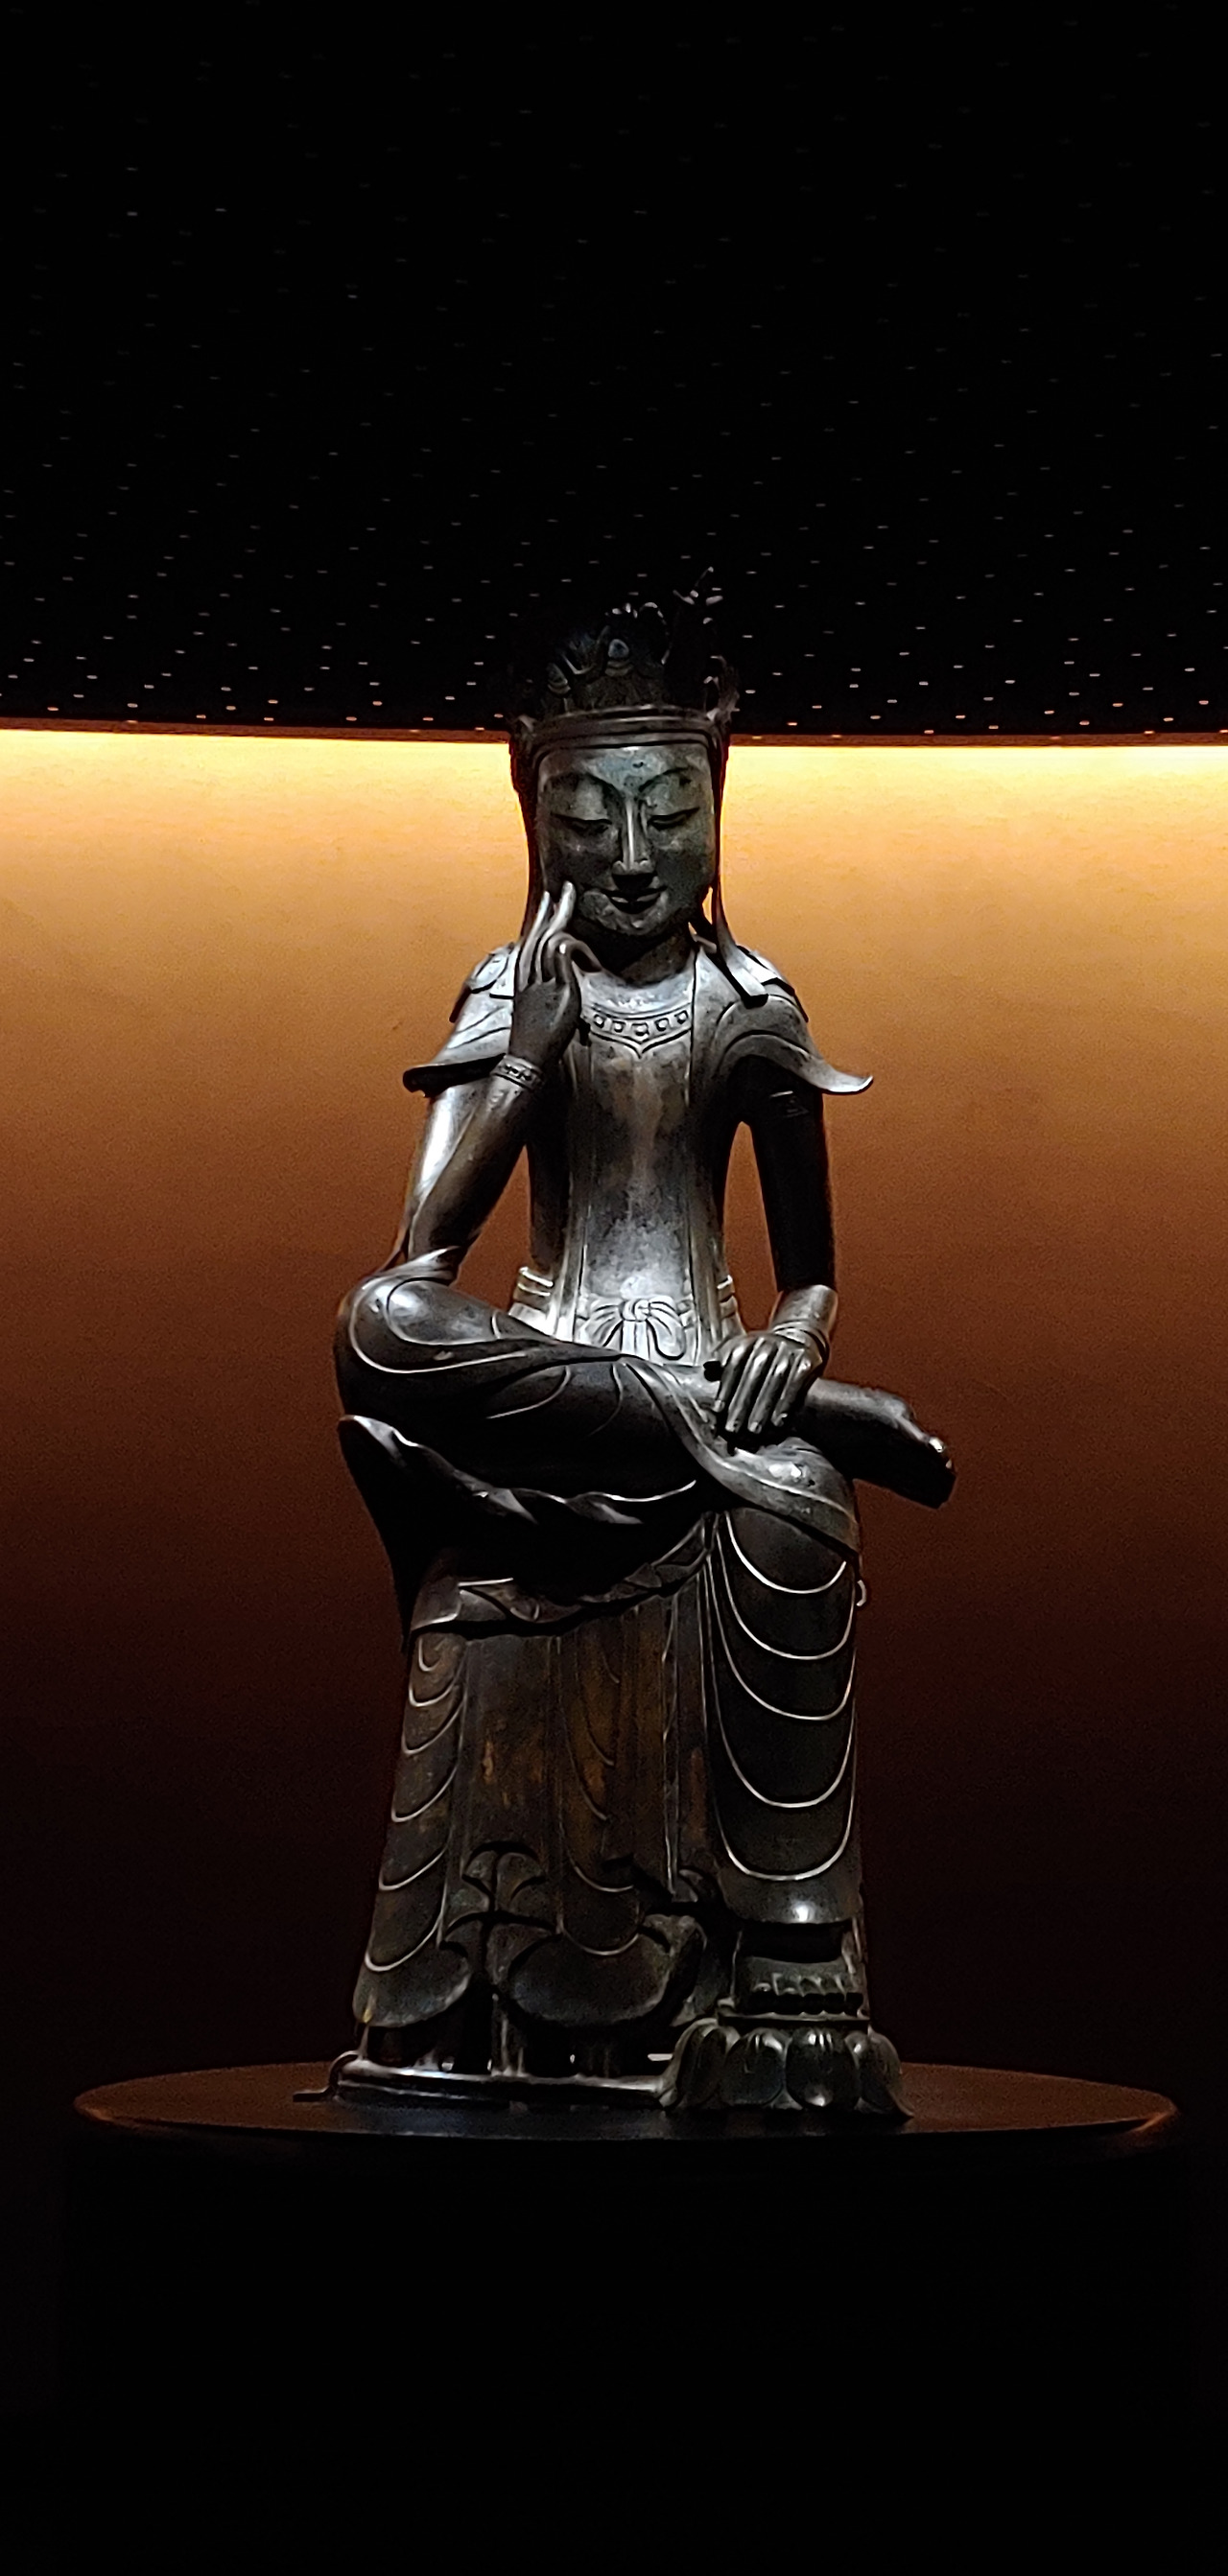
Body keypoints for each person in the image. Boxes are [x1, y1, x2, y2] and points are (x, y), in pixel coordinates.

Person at [333, 602, 953, 2112]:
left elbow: (809, 1269)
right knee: (372, 1329)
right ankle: (800, 1419)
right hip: (553, 1395)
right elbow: (417, 1267)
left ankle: (790, 1960)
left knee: (792, 1507)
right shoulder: (511, 986)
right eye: (586, 815)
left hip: (714, 1371)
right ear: (534, 816)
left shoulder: (747, 1004)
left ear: (714, 811)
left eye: (668, 815)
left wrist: (791, 1340)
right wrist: (529, 1052)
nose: (628, 856)